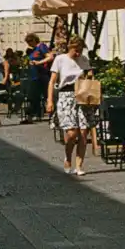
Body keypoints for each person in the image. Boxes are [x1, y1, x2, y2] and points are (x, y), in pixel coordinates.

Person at [46, 36, 95, 176]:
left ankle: (79, 165)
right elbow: (52, 81)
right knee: (72, 133)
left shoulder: (84, 59)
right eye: (76, 50)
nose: (78, 53)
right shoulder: (60, 59)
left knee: (84, 132)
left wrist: (89, 75)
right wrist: (50, 100)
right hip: (66, 95)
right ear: (70, 47)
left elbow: (90, 75)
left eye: (80, 50)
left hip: (82, 95)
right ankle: (68, 157)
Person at [24, 33, 53, 123]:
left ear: (34, 40)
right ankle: (33, 116)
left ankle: (52, 116)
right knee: (32, 96)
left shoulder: (41, 46)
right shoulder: (32, 50)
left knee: (47, 95)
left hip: (42, 75)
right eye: (27, 42)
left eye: (30, 41)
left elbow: (50, 57)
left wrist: (39, 62)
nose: (29, 44)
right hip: (34, 76)